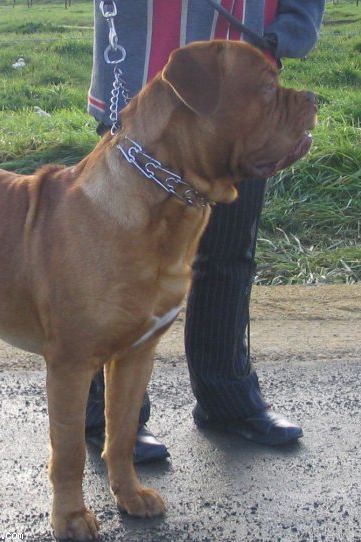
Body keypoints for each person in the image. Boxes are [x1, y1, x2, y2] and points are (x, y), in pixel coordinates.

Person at [85, 0, 325, 463]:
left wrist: (284, 34)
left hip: (243, 87)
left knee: (230, 252)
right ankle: (110, 416)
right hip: (143, 82)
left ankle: (226, 398)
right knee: (119, 265)